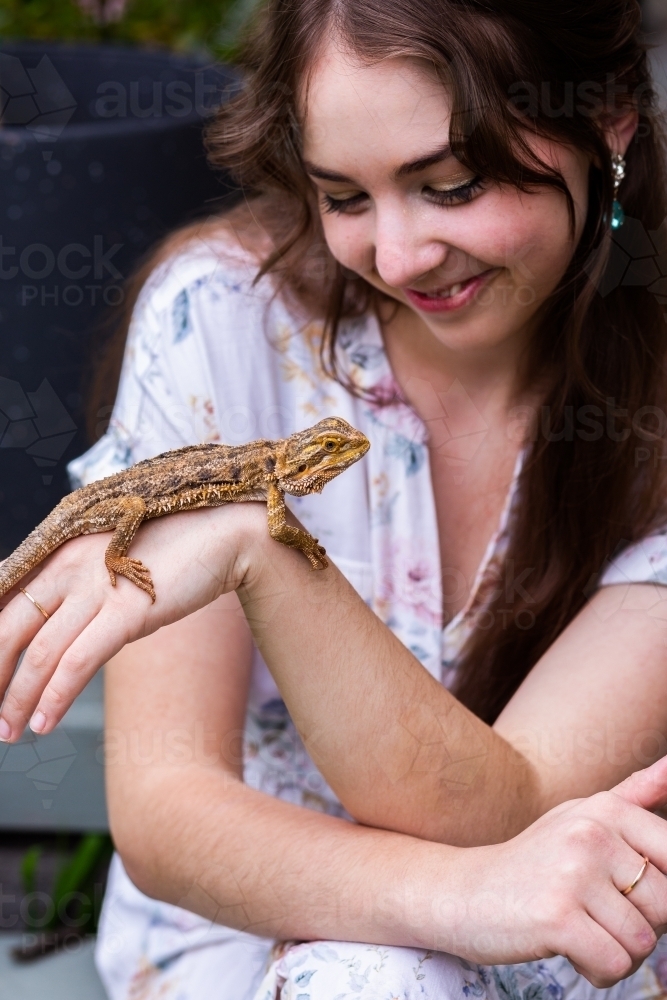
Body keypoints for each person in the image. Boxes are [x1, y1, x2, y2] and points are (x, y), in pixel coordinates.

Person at [2, 0, 667, 996]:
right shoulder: (222, 315)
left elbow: (510, 806)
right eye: (343, 197)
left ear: (608, 121)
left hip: (551, 915)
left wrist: (263, 555)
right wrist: (460, 899)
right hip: (250, 919)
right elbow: (166, 806)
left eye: (450, 185)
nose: (397, 259)